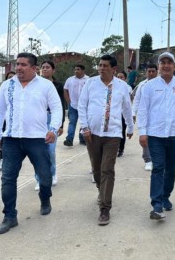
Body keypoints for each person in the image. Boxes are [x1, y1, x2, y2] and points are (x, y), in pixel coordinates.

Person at [0, 53, 62, 234]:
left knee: (45, 176)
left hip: (37, 138)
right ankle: (9, 216)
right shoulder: (7, 86)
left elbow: (56, 108)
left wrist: (53, 129)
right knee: (7, 179)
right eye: (17, 64)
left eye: (23, 64)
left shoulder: (46, 86)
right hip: (12, 140)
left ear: (33, 68)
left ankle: (45, 198)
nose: (19, 68)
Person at [78, 55, 134, 225]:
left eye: (105, 66)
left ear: (113, 69)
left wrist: (130, 127)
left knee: (107, 169)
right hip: (92, 133)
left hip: (113, 134)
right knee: (96, 170)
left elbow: (126, 108)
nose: (101, 68)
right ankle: (102, 192)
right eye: (100, 65)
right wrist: (84, 127)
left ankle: (105, 208)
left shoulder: (123, 87)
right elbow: (82, 105)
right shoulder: (90, 83)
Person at [138, 52, 175, 220]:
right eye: (163, 62)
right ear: (159, 66)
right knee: (158, 168)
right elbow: (142, 110)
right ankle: (156, 205)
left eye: (169, 62)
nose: (166, 65)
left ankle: (165, 196)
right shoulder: (149, 86)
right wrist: (142, 132)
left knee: (171, 169)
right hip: (155, 135)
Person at [34, 60, 66, 191]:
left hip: (52, 119)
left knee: (50, 151)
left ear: (53, 70)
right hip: (39, 120)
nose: (45, 69)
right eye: (43, 67)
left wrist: (61, 124)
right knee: (37, 152)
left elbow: (61, 105)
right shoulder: (36, 84)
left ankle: (52, 174)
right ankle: (39, 178)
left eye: (47, 67)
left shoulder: (58, 85)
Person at [132, 63, 157, 171]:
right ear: (146, 72)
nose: (151, 73)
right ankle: (148, 160)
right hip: (145, 116)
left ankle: (156, 159)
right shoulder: (142, 85)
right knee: (145, 138)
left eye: (153, 71)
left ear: (157, 72)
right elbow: (136, 100)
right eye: (149, 71)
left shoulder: (162, 84)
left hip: (158, 116)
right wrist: (133, 113)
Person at [0, 71, 16, 171]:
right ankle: (2, 158)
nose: (10, 79)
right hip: (4, 120)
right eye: (9, 77)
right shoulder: (4, 88)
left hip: (13, 121)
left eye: (12, 77)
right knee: (2, 140)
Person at [63, 64, 89, 147]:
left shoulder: (88, 80)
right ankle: (69, 139)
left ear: (83, 71)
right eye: (75, 69)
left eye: (78, 69)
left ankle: (82, 139)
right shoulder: (70, 80)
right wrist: (68, 101)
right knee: (72, 122)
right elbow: (65, 90)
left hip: (85, 106)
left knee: (83, 123)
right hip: (73, 105)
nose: (76, 71)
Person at [115, 71, 132, 157]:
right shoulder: (112, 86)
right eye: (118, 77)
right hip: (114, 113)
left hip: (123, 113)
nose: (119, 79)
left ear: (125, 78)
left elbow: (127, 103)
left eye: (121, 77)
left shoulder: (127, 88)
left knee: (122, 131)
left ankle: (121, 149)